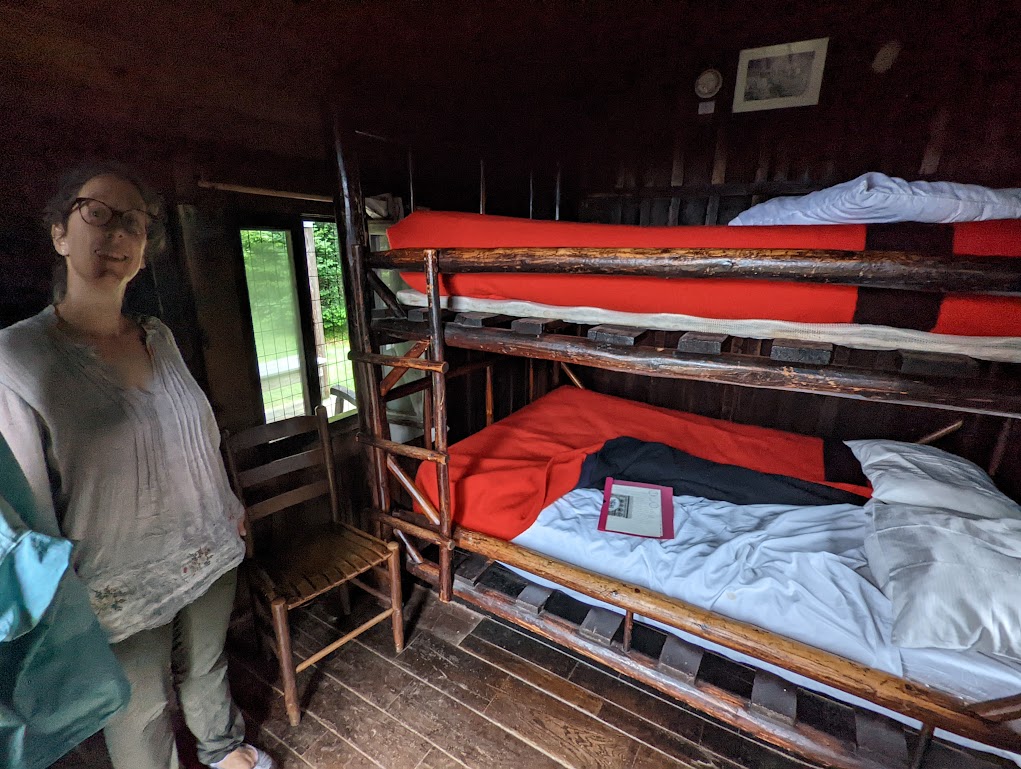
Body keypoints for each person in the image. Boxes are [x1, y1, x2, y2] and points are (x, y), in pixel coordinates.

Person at [0, 162, 274, 769]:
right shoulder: (16, 356)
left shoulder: (158, 336)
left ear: (145, 251)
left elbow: (198, 436)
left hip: (207, 541)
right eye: (97, 213)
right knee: (140, 706)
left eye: (135, 223)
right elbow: (27, 499)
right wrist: (58, 596)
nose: (118, 233)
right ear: (59, 233)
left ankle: (221, 747)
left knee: (207, 665)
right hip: (114, 576)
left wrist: (230, 505)